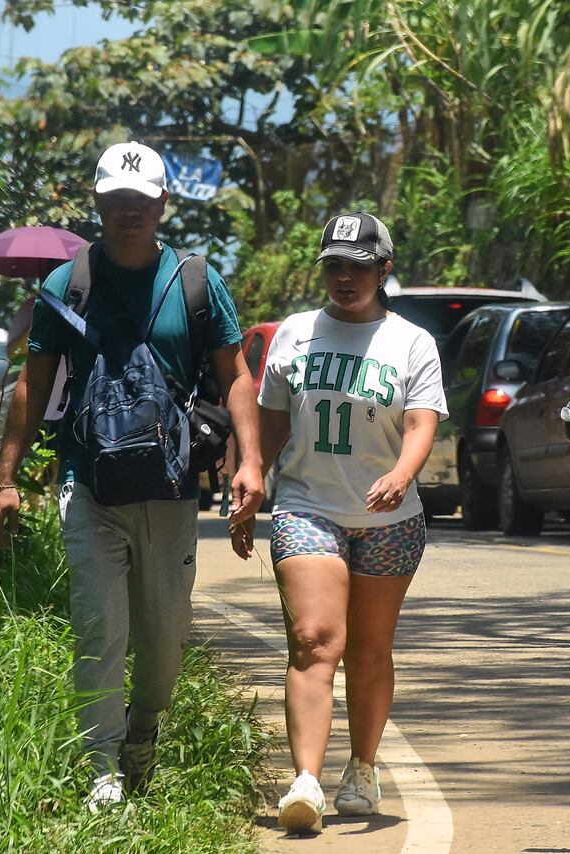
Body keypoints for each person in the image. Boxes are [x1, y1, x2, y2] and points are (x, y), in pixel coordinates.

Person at [0, 141, 265, 811]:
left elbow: (235, 377)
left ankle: (143, 731)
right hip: (89, 483)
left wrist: (250, 463)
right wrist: (6, 476)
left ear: (164, 203)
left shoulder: (198, 281)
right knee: (98, 628)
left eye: (141, 201)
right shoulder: (67, 285)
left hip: (169, 488)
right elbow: (34, 383)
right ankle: (101, 767)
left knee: (164, 638)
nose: (128, 211)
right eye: (116, 201)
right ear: (99, 204)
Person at [233, 212, 447, 834]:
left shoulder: (411, 343)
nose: (344, 277)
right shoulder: (296, 335)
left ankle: (362, 766)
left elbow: (421, 424)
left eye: (357, 266)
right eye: (334, 265)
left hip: (390, 519)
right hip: (307, 507)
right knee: (314, 638)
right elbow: (270, 425)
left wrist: (403, 475)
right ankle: (305, 781)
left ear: (385, 271)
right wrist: (251, 483)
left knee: (371, 648)